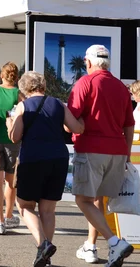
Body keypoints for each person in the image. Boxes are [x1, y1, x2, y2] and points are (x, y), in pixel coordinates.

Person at [7, 71, 84, 267]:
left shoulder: (23, 106)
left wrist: (10, 123)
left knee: (24, 206)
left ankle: (43, 245)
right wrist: (84, 119)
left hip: (33, 159)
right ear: (43, 85)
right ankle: (45, 258)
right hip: (58, 158)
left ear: (24, 88)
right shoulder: (58, 103)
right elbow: (76, 128)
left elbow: (15, 137)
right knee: (48, 210)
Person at [67, 45, 135, 266]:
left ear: (88, 63)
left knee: (83, 199)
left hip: (91, 149)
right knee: (98, 200)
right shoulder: (121, 88)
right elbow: (128, 125)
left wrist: (73, 125)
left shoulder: (85, 83)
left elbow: (71, 123)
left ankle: (114, 242)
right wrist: (125, 154)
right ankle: (91, 246)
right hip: (116, 152)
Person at [0, 62, 25, 235]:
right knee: (10, 182)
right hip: (13, 141)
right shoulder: (18, 94)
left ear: (1, 75)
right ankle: (9, 215)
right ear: (16, 77)